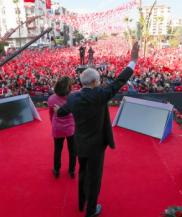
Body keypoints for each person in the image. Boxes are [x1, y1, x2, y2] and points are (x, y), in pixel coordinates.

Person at [54, 42, 139, 217]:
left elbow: (63, 113)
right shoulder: (100, 95)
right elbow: (119, 81)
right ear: (94, 82)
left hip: (80, 144)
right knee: (94, 178)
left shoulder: (73, 98)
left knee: (83, 174)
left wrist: (58, 111)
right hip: (96, 147)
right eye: (98, 80)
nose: (100, 82)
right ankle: (91, 211)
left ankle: (81, 204)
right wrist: (133, 61)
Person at [48, 76, 76, 179]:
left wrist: (53, 122)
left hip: (58, 127)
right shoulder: (73, 96)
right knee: (72, 150)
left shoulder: (51, 99)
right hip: (71, 128)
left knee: (58, 150)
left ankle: (56, 170)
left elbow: (51, 114)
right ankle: (72, 170)